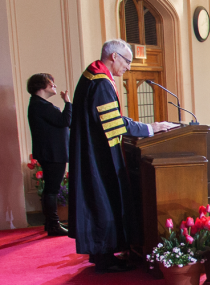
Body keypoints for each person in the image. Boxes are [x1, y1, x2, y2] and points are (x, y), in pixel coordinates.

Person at [69, 39, 179, 271]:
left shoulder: (93, 75)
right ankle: (105, 258)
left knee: (99, 200)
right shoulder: (100, 83)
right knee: (102, 200)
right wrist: (150, 128)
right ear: (113, 57)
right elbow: (114, 124)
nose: (128, 67)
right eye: (127, 61)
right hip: (98, 155)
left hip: (92, 150)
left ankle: (102, 254)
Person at [27, 73, 71, 236]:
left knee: (50, 189)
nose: (54, 85)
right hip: (53, 153)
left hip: (51, 152)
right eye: (51, 83)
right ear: (41, 85)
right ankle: (53, 225)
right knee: (52, 190)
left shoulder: (39, 104)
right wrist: (67, 103)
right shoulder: (41, 105)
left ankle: (50, 223)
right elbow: (64, 121)